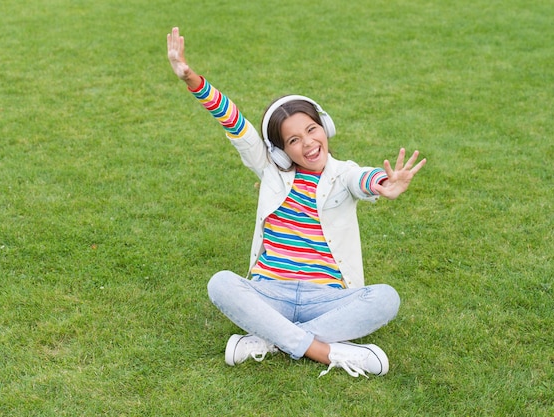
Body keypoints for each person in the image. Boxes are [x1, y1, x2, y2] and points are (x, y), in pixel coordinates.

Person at [167, 27, 426, 377]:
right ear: (279, 150)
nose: (308, 143)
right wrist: (191, 79)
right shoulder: (271, 171)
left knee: (386, 298)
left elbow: (361, 178)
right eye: (293, 140)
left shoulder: (342, 172)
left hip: (327, 298)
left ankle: (270, 339)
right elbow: (234, 123)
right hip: (269, 292)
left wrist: (382, 183)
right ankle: (326, 351)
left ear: (325, 127)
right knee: (220, 283)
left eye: (312, 130)